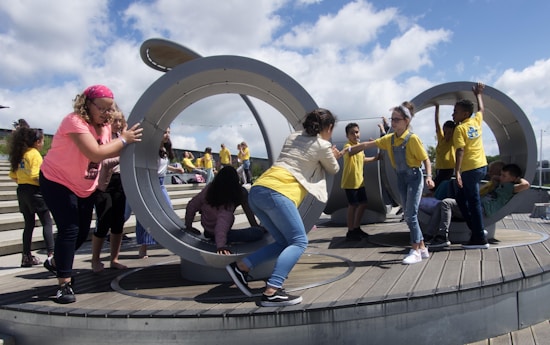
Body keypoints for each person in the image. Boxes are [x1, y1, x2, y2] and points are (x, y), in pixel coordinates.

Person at [226, 108, 341, 307]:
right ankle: (272, 290)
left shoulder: (293, 136)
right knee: (299, 242)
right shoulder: (323, 145)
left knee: (282, 242)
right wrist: (334, 155)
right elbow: (333, 168)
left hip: (259, 190)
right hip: (279, 193)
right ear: (328, 128)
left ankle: (242, 266)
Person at [39, 84, 143, 304]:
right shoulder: (74, 121)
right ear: (87, 104)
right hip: (57, 181)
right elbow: (94, 152)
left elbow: (110, 151)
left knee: (82, 231)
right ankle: (64, 285)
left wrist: (127, 141)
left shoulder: (104, 126)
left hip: (85, 186)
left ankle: (56, 262)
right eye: (102, 109)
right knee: (70, 229)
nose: (106, 114)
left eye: (109, 109)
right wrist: (123, 139)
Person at [356, 102, 434, 264]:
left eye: (397, 119)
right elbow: (368, 144)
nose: (394, 122)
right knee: (409, 215)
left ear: (406, 121)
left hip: (414, 177)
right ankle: (423, 248)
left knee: (411, 215)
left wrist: (429, 177)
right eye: (392, 119)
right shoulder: (390, 139)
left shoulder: (412, 139)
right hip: (401, 178)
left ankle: (415, 251)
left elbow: (425, 159)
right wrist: (347, 150)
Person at [427, 163, 529, 248]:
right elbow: (494, 178)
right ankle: (429, 234)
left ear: (513, 178)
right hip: (476, 207)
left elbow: (526, 185)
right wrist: (498, 178)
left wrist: (517, 179)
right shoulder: (500, 184)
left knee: (446, 202)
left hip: (482, 210)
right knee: (442, 203)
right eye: (501, 175)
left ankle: (442, 236)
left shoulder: (510, 188)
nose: (500, 177)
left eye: (504, 176)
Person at [184, 166, 265, 254]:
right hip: (219, 233)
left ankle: (212, 234)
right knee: (257, 233)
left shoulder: (209, 189)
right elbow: (221, 226)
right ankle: (256, 227)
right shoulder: (226, 206)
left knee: (242, 193)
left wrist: (188, 225)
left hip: (208, 229)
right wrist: (221, 246)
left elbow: (191, 205)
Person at [8, 126, 54, 267]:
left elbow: (13, 175)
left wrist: (24, 182)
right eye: (41, 141)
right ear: (37, 141)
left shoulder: (20, 154)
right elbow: (35, 175)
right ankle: (51, 255)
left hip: (22, 190)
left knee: (29, 224)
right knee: (47, 222)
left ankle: (26, 256)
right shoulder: (34, 154)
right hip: (35, 191)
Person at [135, 127, 184, 258]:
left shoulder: (165, 149)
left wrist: (175, 169)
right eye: (164, 132)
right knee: (146, 213)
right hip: (151, 182)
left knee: (168, 211)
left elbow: (163, 165)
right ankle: (143, 246)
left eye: (169, 132)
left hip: (161, 183)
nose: (167, 135)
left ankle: (173, 242)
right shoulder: (151, 148)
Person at [91, 108, 129, 273]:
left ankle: (114, 259)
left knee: (118, 222)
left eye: (120, 121)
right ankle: (95, 260)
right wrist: (122, 155)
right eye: (115, 121)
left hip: (120, 183)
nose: (118, 124)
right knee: (103, 221)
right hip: (103, 186)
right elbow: (102, 161)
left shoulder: (123, 139)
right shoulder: (103, 138)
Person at [453, 82, 489, 249]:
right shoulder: (475, 121)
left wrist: (457, 172)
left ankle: (479, 238)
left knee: (472, 202)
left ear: (465, 113)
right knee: (461, 198)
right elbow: (481, 110)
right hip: (482, 166)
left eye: (456, 112)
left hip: (469, 170)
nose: (453, 114)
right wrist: (478, 94)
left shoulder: (460, 129)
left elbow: (460, 150)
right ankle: (477, 229)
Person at [340, 122, 379, 241]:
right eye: (352, 133)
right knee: (353, 205)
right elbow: (351, 151)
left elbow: (362, 159)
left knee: (363, 204)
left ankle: (356, 228)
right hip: (350, 182)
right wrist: (369, 144)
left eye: (357, 132)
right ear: (347, 136)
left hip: (359, 181)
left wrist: (375, 158)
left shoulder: (359, 147)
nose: (355, 135)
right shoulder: (347, 146)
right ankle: (350, 231)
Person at [433, 104, 456, 191]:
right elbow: (437, 123)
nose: (447, 135)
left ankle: (435, 200)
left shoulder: (453, 140)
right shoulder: (441, 138)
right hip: (439, 167)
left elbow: (458, 125)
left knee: (436, 187)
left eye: (449, 133)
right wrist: (437, 108)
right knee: (438, 187)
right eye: (445, 132)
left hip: (448, 168)